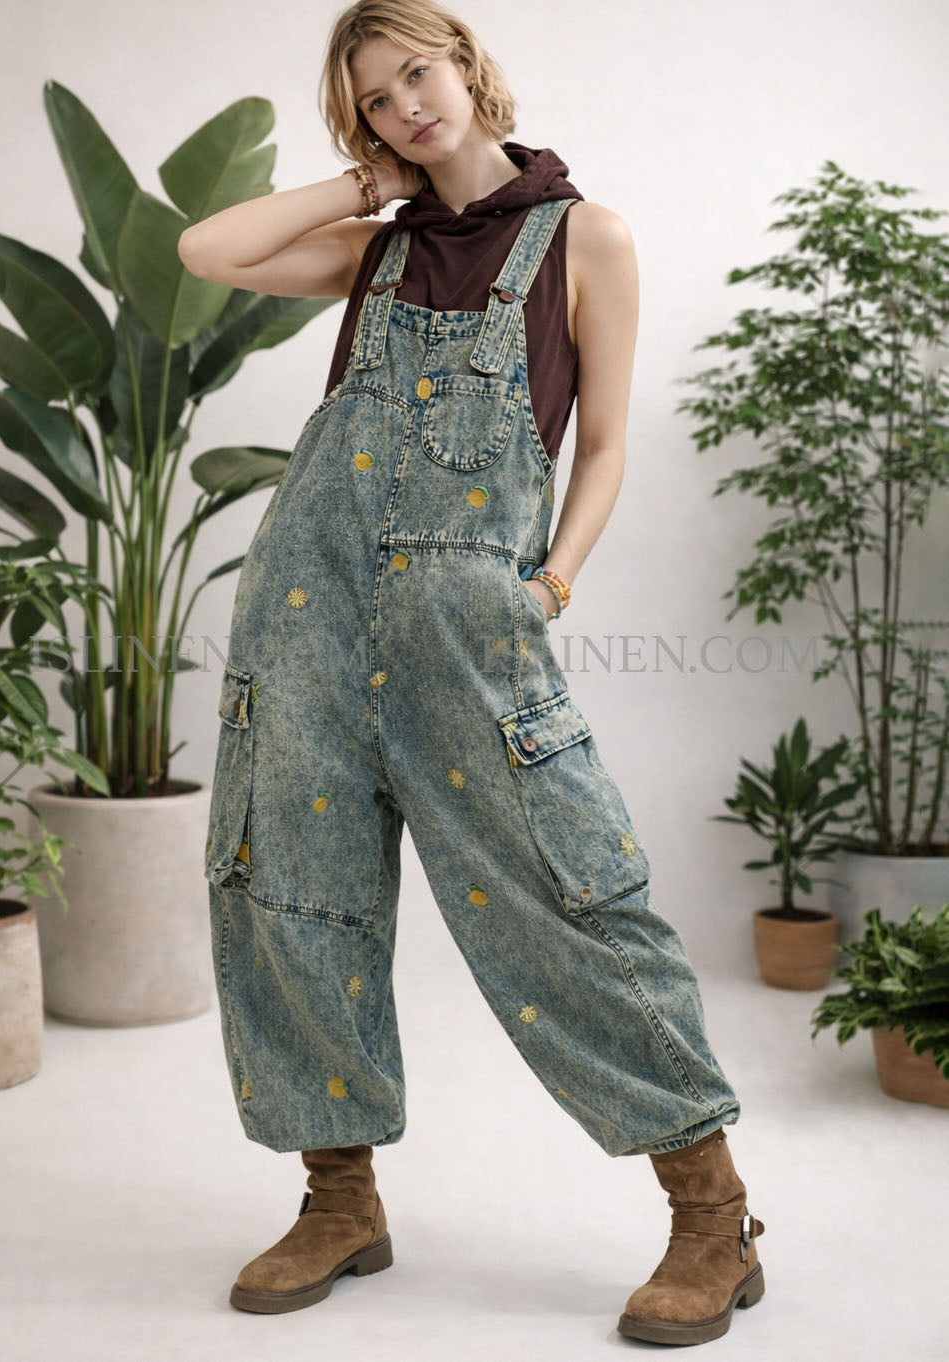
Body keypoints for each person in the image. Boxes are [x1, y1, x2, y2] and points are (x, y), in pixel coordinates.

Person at [178, 0, 766, 1345]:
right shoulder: (373, 251)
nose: (408, 107)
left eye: (417, 75)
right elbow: (204, 249)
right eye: (376, 100)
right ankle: (339, 1200)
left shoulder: (584, 238)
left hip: (470, 639)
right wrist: (362, 186)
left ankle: (711, 1218)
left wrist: (551, 582)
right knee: (291, 895)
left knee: (569, 897)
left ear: (466, 63)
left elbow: (603, 443)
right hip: (306, 623)